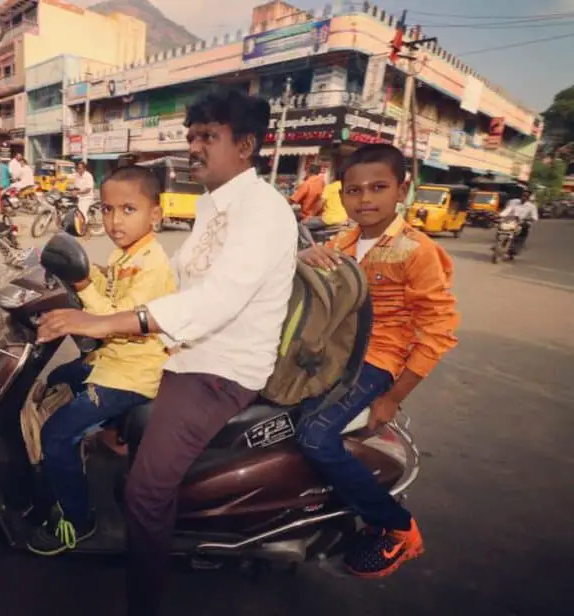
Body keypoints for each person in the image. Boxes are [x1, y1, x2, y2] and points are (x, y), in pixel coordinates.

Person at [35, 89, 297, 616]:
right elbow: (175, 282)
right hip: (183, 354)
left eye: (208, 137)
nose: (195, 147)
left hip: (216, 371)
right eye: (192, 136)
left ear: (245, 145)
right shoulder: (214, 205)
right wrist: (92, 286)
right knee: (77, 390)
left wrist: (107, 320)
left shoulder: (262, 210)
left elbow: (217, 299)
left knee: (145, 495)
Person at [298, 144, 459, 578]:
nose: (365, 199)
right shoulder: (344, 240)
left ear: (402, 190)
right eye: (354, 190)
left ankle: (398, 528)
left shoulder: (416, 250)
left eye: (378, 187)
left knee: (315, 437)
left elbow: (438, 332)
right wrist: (302, 256)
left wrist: (392, 397)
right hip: (332, 354)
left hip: (376, 361)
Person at [27, 165, 176, 556]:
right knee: (61, 375)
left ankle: (79, 520)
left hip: (133, 373)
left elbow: (114, 318)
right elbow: (106, 281)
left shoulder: (152, 264)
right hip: (114, 360)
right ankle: (111, 438)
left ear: (155, 215)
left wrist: (81, 287)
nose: (114, 220)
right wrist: (72, 271)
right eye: (107, 210)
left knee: (56, 434)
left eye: (128, 210)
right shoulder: (127, 252)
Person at [500, 188, 538, 254]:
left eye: (526, 196)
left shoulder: (532, 206)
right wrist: (500, 215)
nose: (524, 197)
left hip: (523, 223)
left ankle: (517, 248)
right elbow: (507, 210)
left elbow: (535, 217)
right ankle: (499, 244)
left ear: (528, 197)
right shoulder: (514, 202)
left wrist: (529, 219)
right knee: (501, 228)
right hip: (511, 221)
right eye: (523, 195)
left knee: (523, 234)